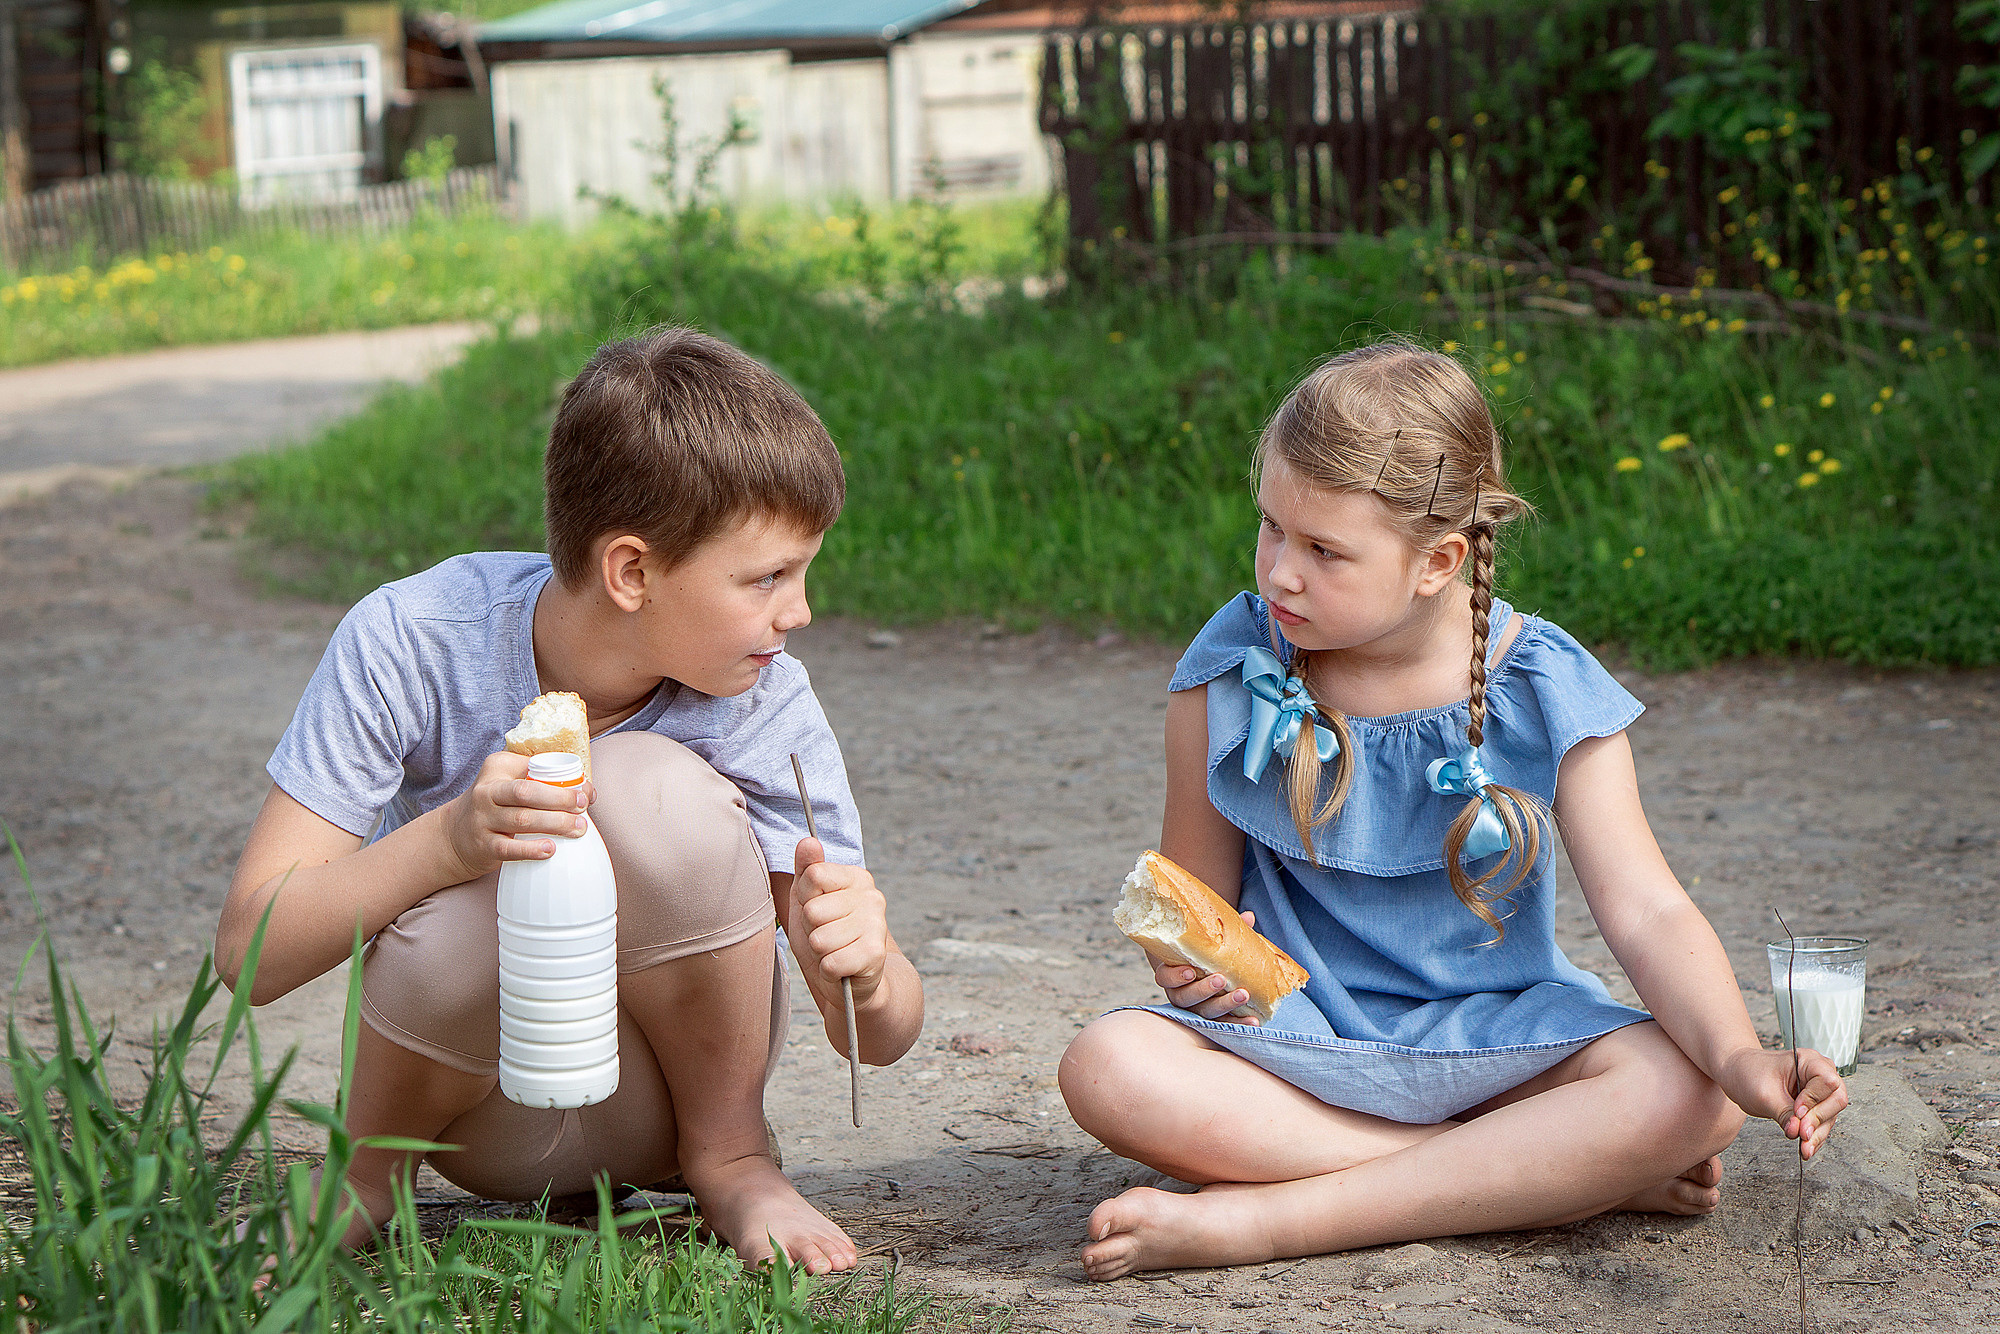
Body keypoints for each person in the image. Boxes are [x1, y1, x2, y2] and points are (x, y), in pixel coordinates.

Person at [1058, 340, 1847, 1280]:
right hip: (1298, 1050)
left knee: (1699, 1096)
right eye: (1271, 528)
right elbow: (1190, 902)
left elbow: (1648, 909)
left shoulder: (1543, 684)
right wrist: (1190, 964)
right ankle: (1534, 1175)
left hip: (1500, 1045)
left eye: (1324, 551)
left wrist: (1739, 1055)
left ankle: (1270, 1220)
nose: (1280, 574)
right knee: (1107, 1065)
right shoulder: (1233, 672)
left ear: (1439, 560)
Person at [215, 326, 924, 1276]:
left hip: (664, 1106)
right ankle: (365, 1176)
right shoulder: (416, 638)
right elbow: (249, 955)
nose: (797, 614)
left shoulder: (765, 694)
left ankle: (735, 1159)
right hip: (485, 1118)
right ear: (631, 571)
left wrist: (868, 973)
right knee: (516, 867)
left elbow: (875, 1039)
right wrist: (451, 843)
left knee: (646, 786)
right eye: (766, 579)